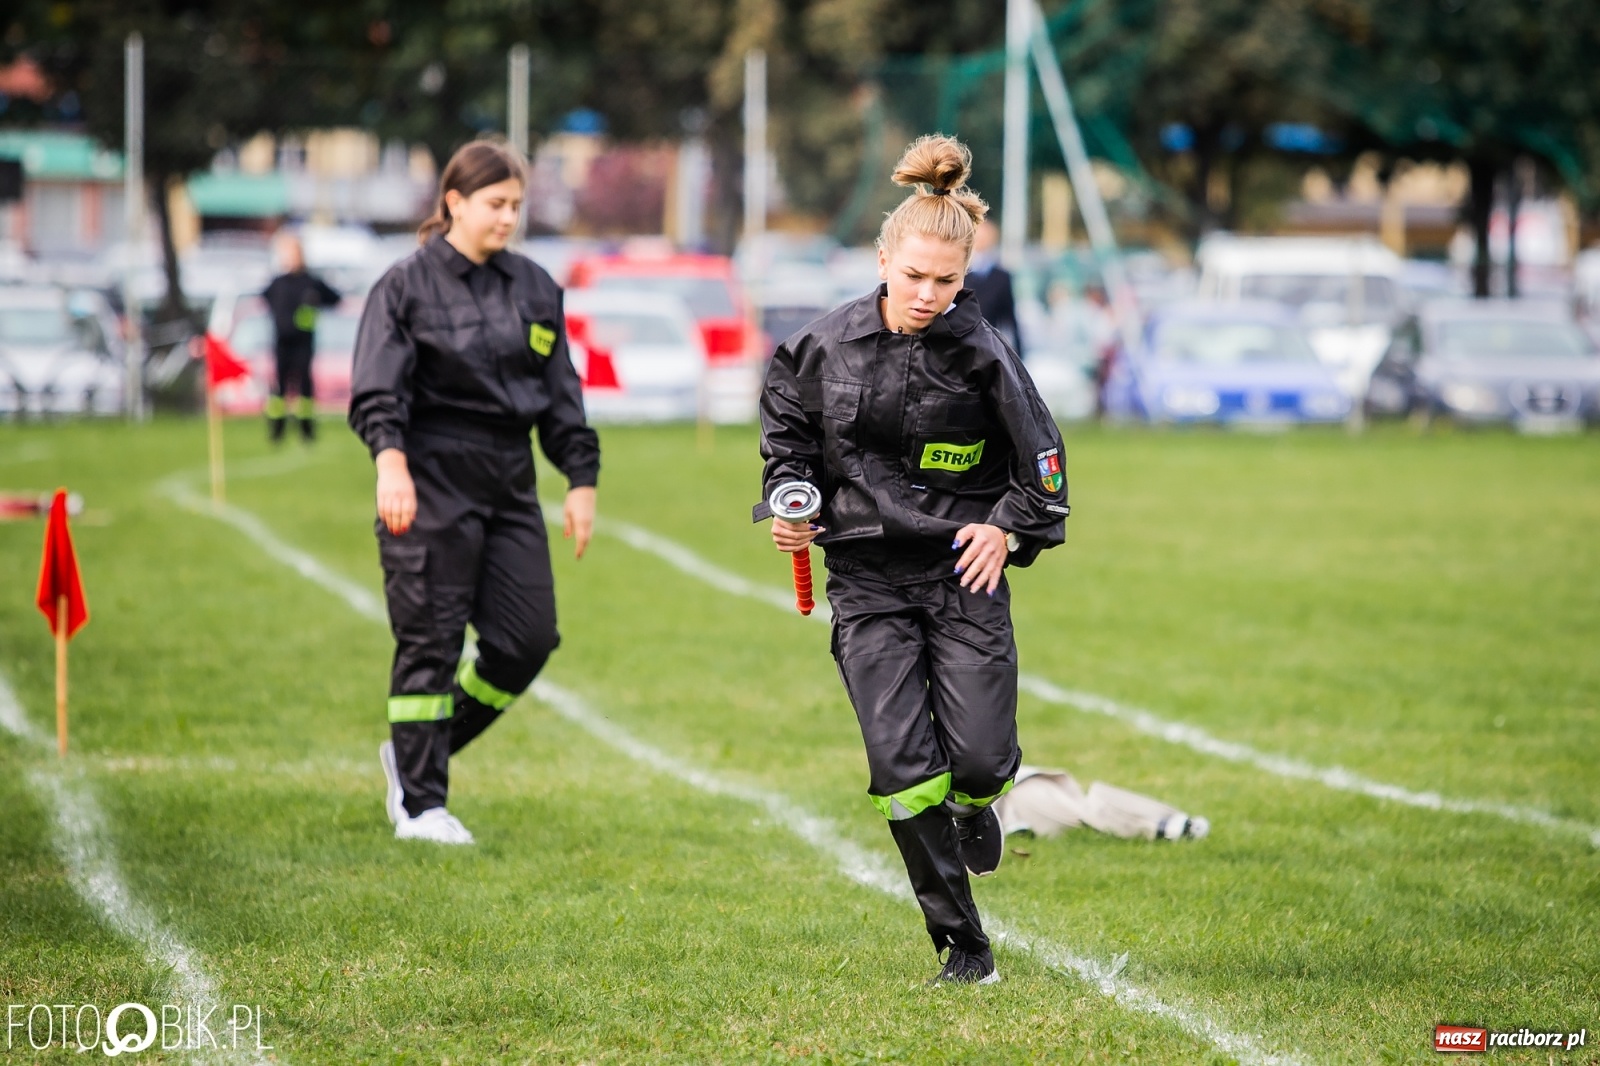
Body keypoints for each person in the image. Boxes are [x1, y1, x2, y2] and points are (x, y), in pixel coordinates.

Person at [759, 135, 1069, 983]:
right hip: (866, 579)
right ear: (882, 260)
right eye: (914, 276)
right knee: (901, 770)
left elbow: (1044, 468)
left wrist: (1006, 529)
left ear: (966, 275)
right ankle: (964, 947)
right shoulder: (817, 349)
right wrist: (790, 504)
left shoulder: (986, 352)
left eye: (947, 281)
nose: (929, 295)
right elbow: (788, 450)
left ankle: (977, 804)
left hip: (963, 572)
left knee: (979, 762)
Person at [349, 140, 600, 845]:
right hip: (427, 478)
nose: (508, 218)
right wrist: (390, 463)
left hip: (509, 481)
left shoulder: (535, 287)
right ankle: (421, 807)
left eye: (517, 205)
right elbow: (377, 388)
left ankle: (414, 753)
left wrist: (580, 478)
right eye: (496, 204)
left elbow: (561, 396)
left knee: (527, 640)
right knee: (430, 640)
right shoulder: (405, 286)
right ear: (454, 202)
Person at [262, 233, 341, 442]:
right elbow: (264, 298)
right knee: (279, 385)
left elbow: (334, 299)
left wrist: (315, 306)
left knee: (304, 384)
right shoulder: (277, 283)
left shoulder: (311, 282)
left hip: (303, 342)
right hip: (282, 341)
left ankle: (306, 430)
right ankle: (277, 430)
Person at [964, 219, 1024, 357]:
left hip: (988, 346)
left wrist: (1018, 354)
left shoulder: (1001, 277)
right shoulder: (960, 272)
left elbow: (1009, 317)